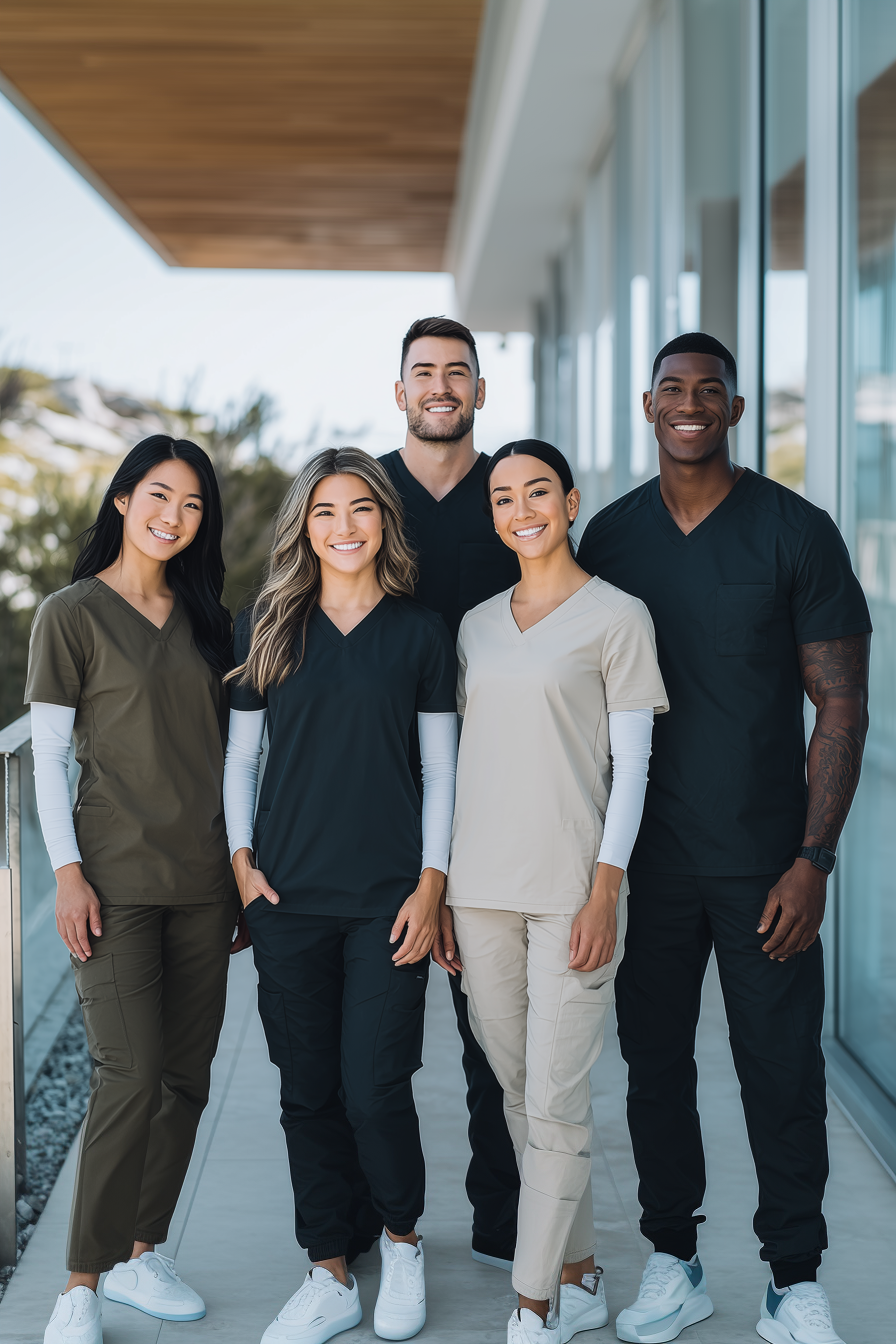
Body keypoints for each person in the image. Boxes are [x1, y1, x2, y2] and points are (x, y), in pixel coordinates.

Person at [576, 333, 872, 1344]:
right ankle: (674, 1261)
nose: (690, 404)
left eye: (709, 391)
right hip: (644, 864)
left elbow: (840, 707)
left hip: (763, 866)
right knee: (654, 1067)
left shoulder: (796, 531)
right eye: (672, 390)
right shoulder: (607, 542)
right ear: (647, 406)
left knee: (781, 1075)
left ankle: (793, 1280)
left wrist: (812, 859)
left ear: (734, 411)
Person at [223, 447, 458, 1344]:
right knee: (307, 1089)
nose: (345, 526)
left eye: (361, 509)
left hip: (387, 901)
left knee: (375, 1086)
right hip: (286, 899)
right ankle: (328, 1268)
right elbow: (241, 760)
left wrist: (433, 883)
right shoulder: (268, 625)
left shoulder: (420, 632)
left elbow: (441, 771)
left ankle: (400, 1243)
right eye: (326, 511)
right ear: (304, 526)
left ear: (384, 522)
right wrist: (242, 863)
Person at [446, 439, 670, 1344]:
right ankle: (579, 1273)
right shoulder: (473, 626)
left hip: (574, 887)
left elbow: (635, 766)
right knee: (515, 1089)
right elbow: (458, 761)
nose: (521, 508)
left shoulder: (620, 616)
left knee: (559, 1096)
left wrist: (606, 887)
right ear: (492, 515)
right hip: (480, 890)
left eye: (537, 490)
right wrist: (446, 888)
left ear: (570, 501)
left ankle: (533, 1303)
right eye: (503, 496)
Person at [27, 436, 240, 1344]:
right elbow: (45, 755)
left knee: (184, 1080)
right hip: (111, 882)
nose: (173, 517)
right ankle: (80, 1282)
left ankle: (140, 1254)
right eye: (159, 495)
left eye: (193, 505)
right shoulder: (69, 614)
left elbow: (238, 759)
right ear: (122, 500)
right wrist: (68, 873)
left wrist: (241, 868)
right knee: (130, 1074)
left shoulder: (209, 619)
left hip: (205, 881)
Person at [380, 316, 522, 1271]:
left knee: (493, 1033)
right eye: (423, 372)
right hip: (375, 797)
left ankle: (508, 1226)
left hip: (496, 797)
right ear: (399, 391)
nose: (441, 386)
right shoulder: (362, 495)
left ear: (479, 390)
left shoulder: (507, 498)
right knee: (375, 1045)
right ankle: (372, 1230)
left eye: (457, 372)